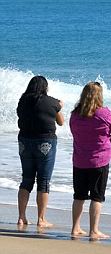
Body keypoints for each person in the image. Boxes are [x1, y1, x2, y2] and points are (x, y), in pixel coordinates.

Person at [69, 82, 111, 240]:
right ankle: (94, 230)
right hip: (99, 160)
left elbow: (73, 131)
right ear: (99, 96)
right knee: (97, 196)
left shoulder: (75, 114)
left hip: (79, 160)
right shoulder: (103, 113)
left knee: (79, 195)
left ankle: (75, 228)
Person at [16, 76, 64, 227]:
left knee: (27, 179)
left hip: (24, 141)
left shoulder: (23, 101)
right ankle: (41, 219)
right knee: (43, 181)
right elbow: (61, 122)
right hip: (45, 142)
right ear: (45, 87)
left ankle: (21, 217)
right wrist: (59, 107)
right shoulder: (51, 102)